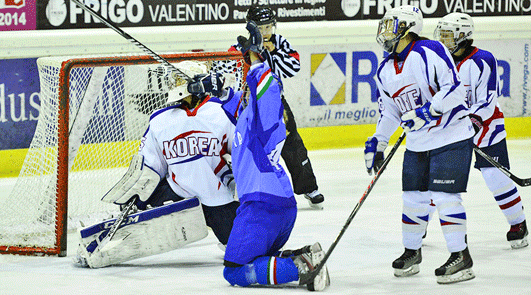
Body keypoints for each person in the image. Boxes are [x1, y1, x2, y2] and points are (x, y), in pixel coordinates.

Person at [365, 5, 475, 284]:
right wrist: (378, 142)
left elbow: (455, 89)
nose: (385, 31)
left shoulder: (430, 51)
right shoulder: (385, 69)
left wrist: (427, 112)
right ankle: (411, 252)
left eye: (392, 26)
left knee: (445, 197)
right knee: (413, 199)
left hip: (451, 136)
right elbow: (390, 111)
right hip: (417, 142)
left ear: (408, 29)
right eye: (385, 25)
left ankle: (460, 256)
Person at [219, 21, 330, 291]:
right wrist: (218, 91)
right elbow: (236, 109)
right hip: (274, 205)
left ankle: (303, 268)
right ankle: (303, 256)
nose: (244, 83)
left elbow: (267, 89)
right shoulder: (250, 116)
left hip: (261, 206)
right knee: (256, 260)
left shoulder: (267, 116)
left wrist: (259, 61)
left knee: (233, 272)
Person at [434, 12, 528, 249]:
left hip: (486, 126)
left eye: (448, 35)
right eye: (442, 34)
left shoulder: (482, 60)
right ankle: (425, 228)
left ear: (463, 36)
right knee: (438, 180)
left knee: (495, 176)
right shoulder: (440, 61)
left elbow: (487, 100)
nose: (443, 40)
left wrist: (471, 124)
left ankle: (518, 222)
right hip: (451, 129)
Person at [128, 61, 239, 247]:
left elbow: (243, 154)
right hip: (177, 192)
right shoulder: (160, 120)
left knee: (241, 246)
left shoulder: (221, 111)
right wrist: (136, 200)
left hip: (216, 196)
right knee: (139, 218)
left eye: (178, 79)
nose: (173, 84)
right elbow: (149, 167)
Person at [229, 6, 325, 209]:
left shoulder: (279, 42)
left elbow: (293, 67)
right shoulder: (239, 46)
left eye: (268, 26)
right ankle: (242, 191)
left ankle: (308, 186)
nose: (265, 32)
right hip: (249, 106)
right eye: (260, 27)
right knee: (246, 147)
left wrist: (271, 53)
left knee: (292, 144)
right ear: (251, 27)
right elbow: (230, 71)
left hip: (276, 103)